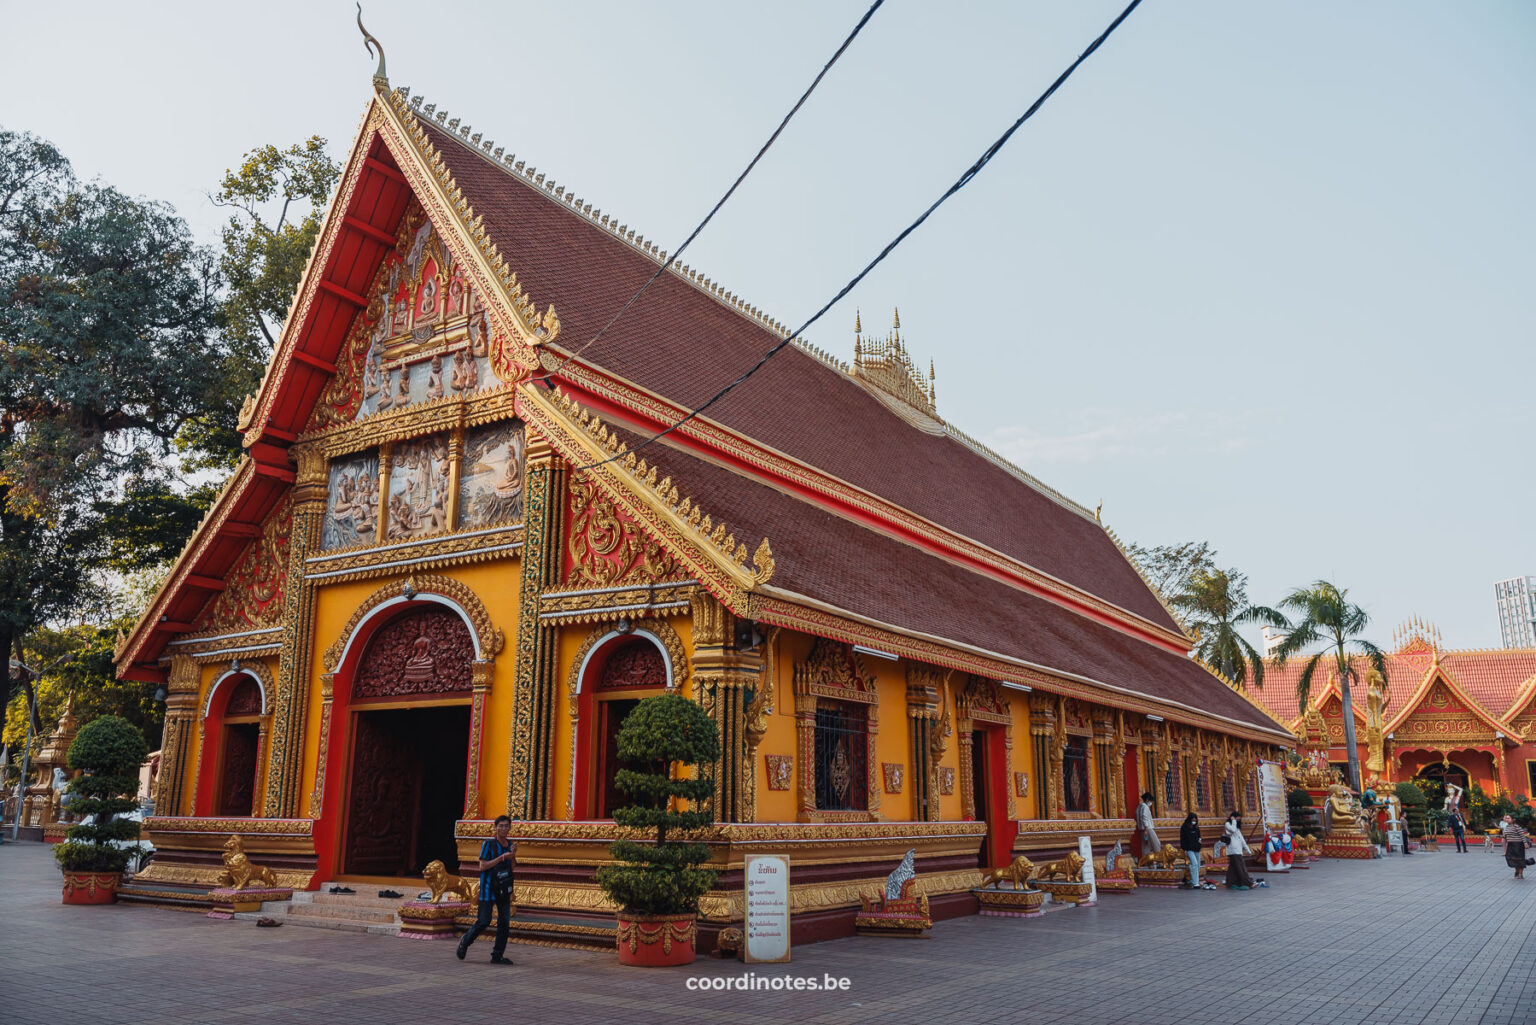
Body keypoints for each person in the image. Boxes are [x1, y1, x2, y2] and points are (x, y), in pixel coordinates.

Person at [456, 814, 517, 964]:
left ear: (510, 828)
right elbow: (482, 866)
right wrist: (502, 857)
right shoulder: (488, 844)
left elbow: (513, 867)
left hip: (503, 889)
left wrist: (513, 855)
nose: (503, 829)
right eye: (500, 826)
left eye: (506, 826)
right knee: (484, 921)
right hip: (488, 888)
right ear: (495, 828)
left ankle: (497, 955)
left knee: (504, 923)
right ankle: (466, 940)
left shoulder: (510, 844)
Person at [1222, 812, 1267, 890]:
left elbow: (1242, 840)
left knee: (1232, 868)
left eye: (1239, 819)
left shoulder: (1237, 828)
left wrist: (1248, 850)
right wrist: (1233, 821)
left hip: (1237, 850)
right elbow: (1232, 830)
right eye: (1237, 818)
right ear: (1233, 817)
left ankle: (1231, 882)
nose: (1238, 820)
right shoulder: (1228, 824)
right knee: (1241, 867)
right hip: (1233, 850)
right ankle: (1248, 883)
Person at [1179, 813, 1215, 890]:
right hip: (1189, 849)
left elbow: (1199, 837)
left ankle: (1194, 880)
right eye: (1193, 820)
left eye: (1195, 820)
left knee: (1198, 865)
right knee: (1194, 864)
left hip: (1196, 848)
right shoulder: (1184, 828)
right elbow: (1183, 839)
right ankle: (1195, 883)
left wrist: (1199, 843)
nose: (1194, 821)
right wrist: (1184, 849)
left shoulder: (1196, 828)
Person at [1500, 814, 1531, 880]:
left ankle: (1520, 874)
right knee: (1513, 859)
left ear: (1513, 819)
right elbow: (1505, 835)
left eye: (1508, 818)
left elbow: (1522, 835)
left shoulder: (1517, 827)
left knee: (1520, 859)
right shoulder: (1507, 827)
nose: (1507, 820)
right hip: (1511, 845)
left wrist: (1525, 843)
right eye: (1506, 818)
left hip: (1518, 845)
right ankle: (1516, 872)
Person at [1135, 791, 1162, 861]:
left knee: (1146, 846)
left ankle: (1146, 861)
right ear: (1147, 800)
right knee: (1156, 844)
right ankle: (1159, 858)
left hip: (1142, 829)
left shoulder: (1139, 807)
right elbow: (1144, 818)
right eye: (1150, 800)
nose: (1151, 802)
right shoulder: (1145, 807)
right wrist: (1146, 829)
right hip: (1148, 828)